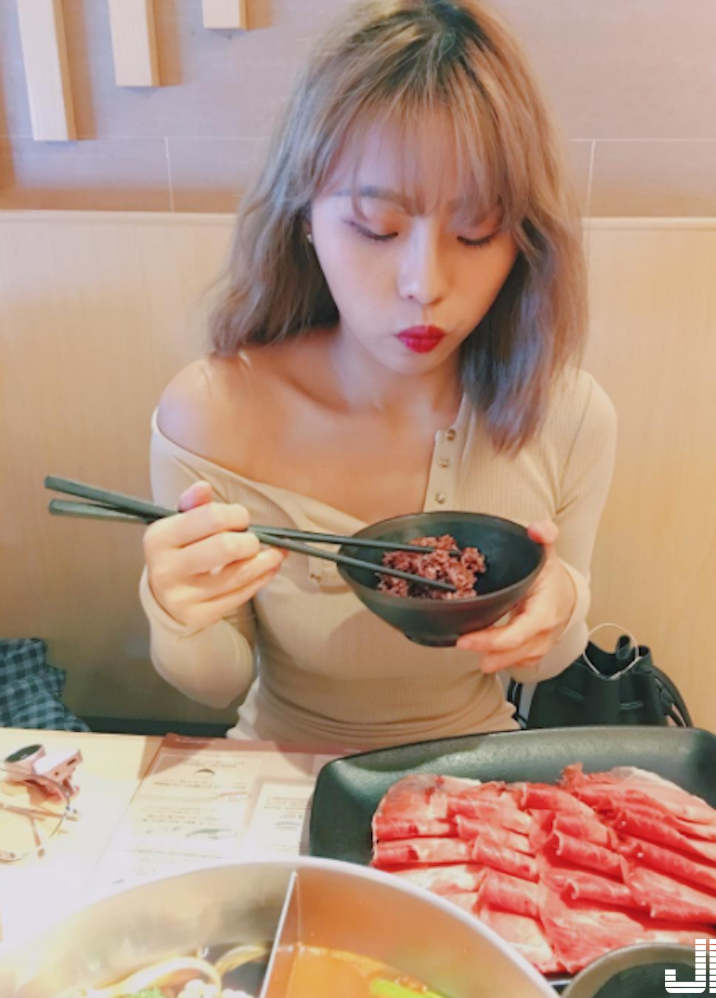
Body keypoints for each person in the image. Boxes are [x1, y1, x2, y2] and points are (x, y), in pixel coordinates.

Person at [139, 0, 617, 749]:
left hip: (473, 772)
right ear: (305, 215)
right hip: (281, 768)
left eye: (475, 232)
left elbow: (548, 661)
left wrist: (560, 602)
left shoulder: (568, 414)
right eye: (377, 228)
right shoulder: (213, 410)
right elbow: (218, 682)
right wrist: (176, 611)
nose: (424, 284)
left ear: (522, 239)